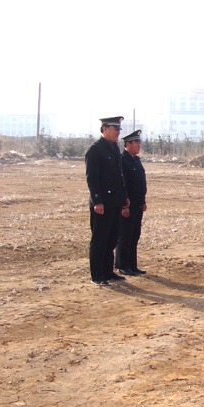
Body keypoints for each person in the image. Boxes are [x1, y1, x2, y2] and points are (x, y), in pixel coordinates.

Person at [85, 116, 130, 286]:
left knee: (111, 239)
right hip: (103, 204)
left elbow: (120, 176)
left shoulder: (114, 148)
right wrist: (97, 201)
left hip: (115, 201)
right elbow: (92, 178)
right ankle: (97, 275)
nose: (118, 132)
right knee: (100, 240)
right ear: (105, 129)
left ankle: (108, 272)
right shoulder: (95, 150)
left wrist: (124, 197)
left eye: (119, 130)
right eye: (115, 129)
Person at [115, 130, 148, 276]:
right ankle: (122, 265)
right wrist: (124, 205)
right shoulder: (122, 160)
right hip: (128, 205)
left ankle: (132, 265)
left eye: (139, 143)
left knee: (134, 235)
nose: (139, 145)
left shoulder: (135, 159)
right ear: (128, 144)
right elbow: (122, 185)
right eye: (136, 143)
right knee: (125, 235)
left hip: (137, 204)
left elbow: (140, 182)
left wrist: (143, 201)